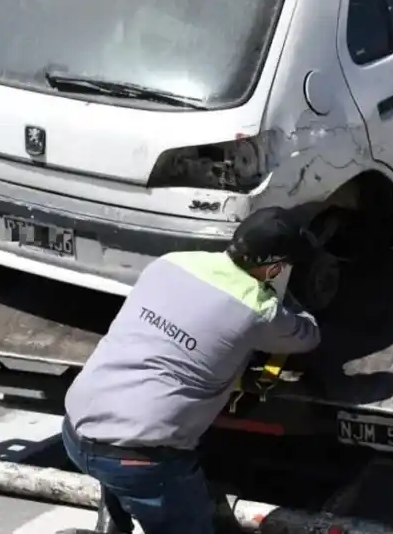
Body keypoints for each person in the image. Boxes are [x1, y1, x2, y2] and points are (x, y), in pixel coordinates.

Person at [60, 206, 322, 534]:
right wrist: (291, 300)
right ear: (274, 268)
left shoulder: (171, 262)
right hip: (140, 459)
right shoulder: (259, 309)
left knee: (120, 467)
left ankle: (113, 523)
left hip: (75, 427)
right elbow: (307, 336)